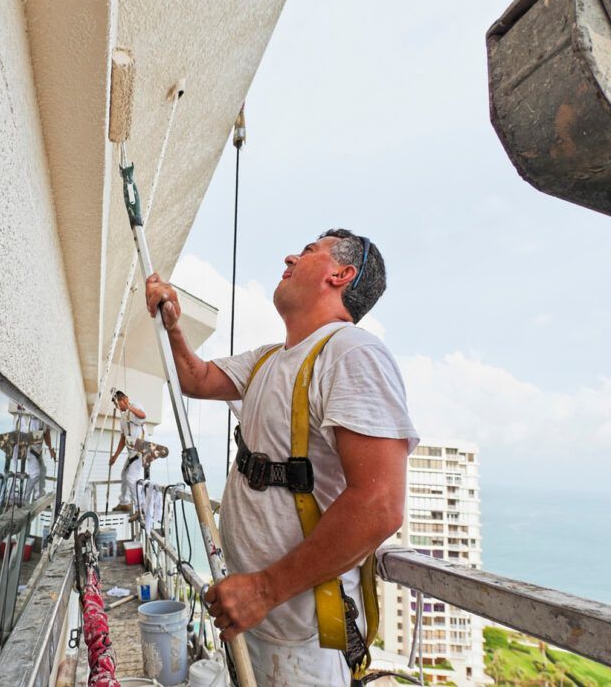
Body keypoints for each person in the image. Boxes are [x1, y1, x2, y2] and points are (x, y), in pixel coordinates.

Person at [144, 229, 416, 686]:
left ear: (340, 274)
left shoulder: (352, 353)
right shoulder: (270, 359)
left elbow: (380, 505)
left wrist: (265, 589)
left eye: (310, 250)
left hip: (301, 640)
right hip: (252, 617)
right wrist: (172, 325)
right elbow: (196, 378)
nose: (291, 255)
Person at [107, 390, 149, 513]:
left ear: (124, 399)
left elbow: (143, 416)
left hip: (142, 447)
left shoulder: (135, 406)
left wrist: (129, 406)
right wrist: (115, 456)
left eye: (117, 404)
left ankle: (139, 508)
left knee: (131, 478)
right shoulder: (123, 418)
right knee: (124, 475)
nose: (117, 407)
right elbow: (123, 438)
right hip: (132, 451)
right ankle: (124, 502)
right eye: (116, 405)